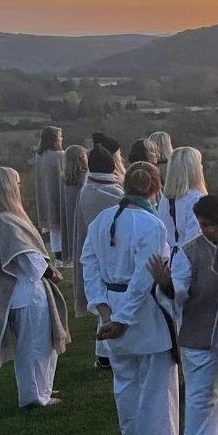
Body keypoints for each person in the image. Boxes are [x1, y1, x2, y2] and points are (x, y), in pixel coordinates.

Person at [82, 161, 181, 435]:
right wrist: (121, 318)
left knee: (124, 377)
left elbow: (89, 267)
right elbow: (143, 276)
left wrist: (105, 311)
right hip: (142, 308)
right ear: (156, 187)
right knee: (155, 377)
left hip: (112, 303)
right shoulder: (151, 225)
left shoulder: (101, 220)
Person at [148, 195, 218, 435]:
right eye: (204, 225)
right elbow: (179, 291)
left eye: (215, 224)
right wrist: (167, 285)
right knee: (201, 395)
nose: (210, 230)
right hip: (199, 335)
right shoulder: (189, 252)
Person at [0, 167, 71, 408]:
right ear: (7, 188)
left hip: (20, 293)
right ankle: (35, 396)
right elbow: (26, 257)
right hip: (27, 293)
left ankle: (41, 388)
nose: (20, 187)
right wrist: (51, 272)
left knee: (36, 346)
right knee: (36, 347)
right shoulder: (6, 222)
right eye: (16, 183)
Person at [77, 144, 126, 369]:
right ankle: (108, 350)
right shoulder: (114, 193)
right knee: (111, 298)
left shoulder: (87, 189)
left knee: (103, 298)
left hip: (96, 244)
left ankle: (103, 352)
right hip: (111, 246)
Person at [156, 146, 208, 258]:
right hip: (188, 260)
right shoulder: (198, 200)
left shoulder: (165, 199)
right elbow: (195, 239)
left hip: (167, 259)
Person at [30, 126, 66, 264]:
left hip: (45, 194)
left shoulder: (39, 156)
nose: (61, 139)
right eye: (59, 136)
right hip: (58, 194)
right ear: (53, 139)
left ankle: (58, 256)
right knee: (61, 226)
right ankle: (63, 256)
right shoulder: (60, 156)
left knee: (54, 228)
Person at [60, 145, 88, 275]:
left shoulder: (65, 179)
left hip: (70, 213)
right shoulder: (84, 177)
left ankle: (72, 255)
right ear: (80, 159)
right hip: (80, 213)